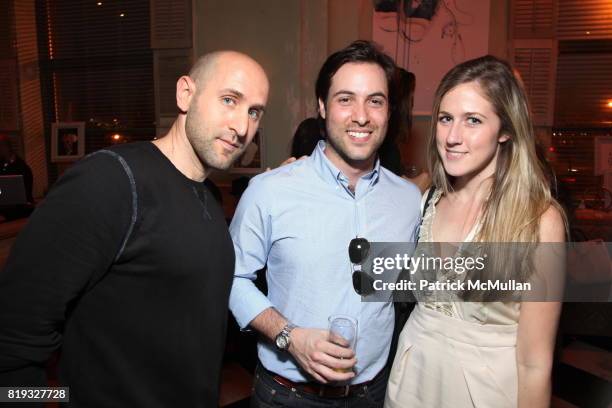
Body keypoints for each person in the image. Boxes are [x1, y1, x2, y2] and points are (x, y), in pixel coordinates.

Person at [0, 51, 269, 407]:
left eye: (254, 112)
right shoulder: (110, 181)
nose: (242, 126)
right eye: (229, 100)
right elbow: (11, 343)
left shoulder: (206, 196)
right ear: (185, 94)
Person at [229, 40, 421, 407]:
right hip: (288, 395)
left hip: (373, 394)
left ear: (389, 111)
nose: (361, 115)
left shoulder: (408, 201)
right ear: (322, 106)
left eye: (375, 101)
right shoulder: (270, 191)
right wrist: (289, 337)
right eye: (345, 99)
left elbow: (406, 288)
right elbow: (233, 277)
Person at [384, 56, 566, 407]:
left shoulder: (538, 220)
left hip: (484, 392)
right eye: (446, 119)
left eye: (473, 120)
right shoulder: (427, 198)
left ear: (506, 130)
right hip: (411, 381)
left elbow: (534, 364)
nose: (452, 137)